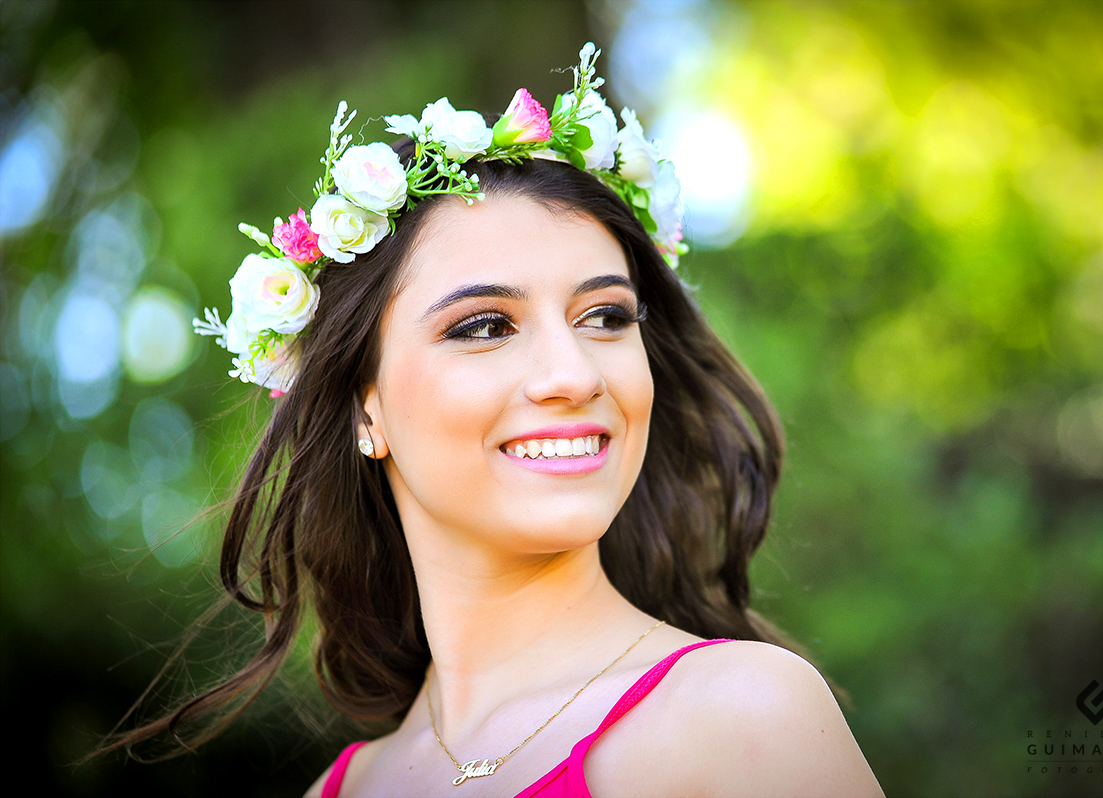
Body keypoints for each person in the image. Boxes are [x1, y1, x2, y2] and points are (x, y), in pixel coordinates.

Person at [111, 45, 884, 797]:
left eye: (606, 316)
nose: (574, 376)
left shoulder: (745, 718)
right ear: (363, 408)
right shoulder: (340, 790)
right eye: (485, 326)